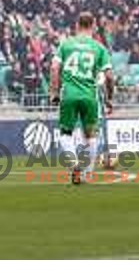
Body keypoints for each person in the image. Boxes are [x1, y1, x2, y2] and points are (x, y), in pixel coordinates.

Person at [49, 11, 114, 184]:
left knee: (66, 133)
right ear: (93, 26)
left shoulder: (65, 45)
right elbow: (109, 76)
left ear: (77, 25)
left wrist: (54, 92)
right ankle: (86, 173)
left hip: (69, 94)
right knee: (91, 135)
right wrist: (109, 99)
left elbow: (54, 68)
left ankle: (74, 164)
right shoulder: (99, 48)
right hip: (89, 96)